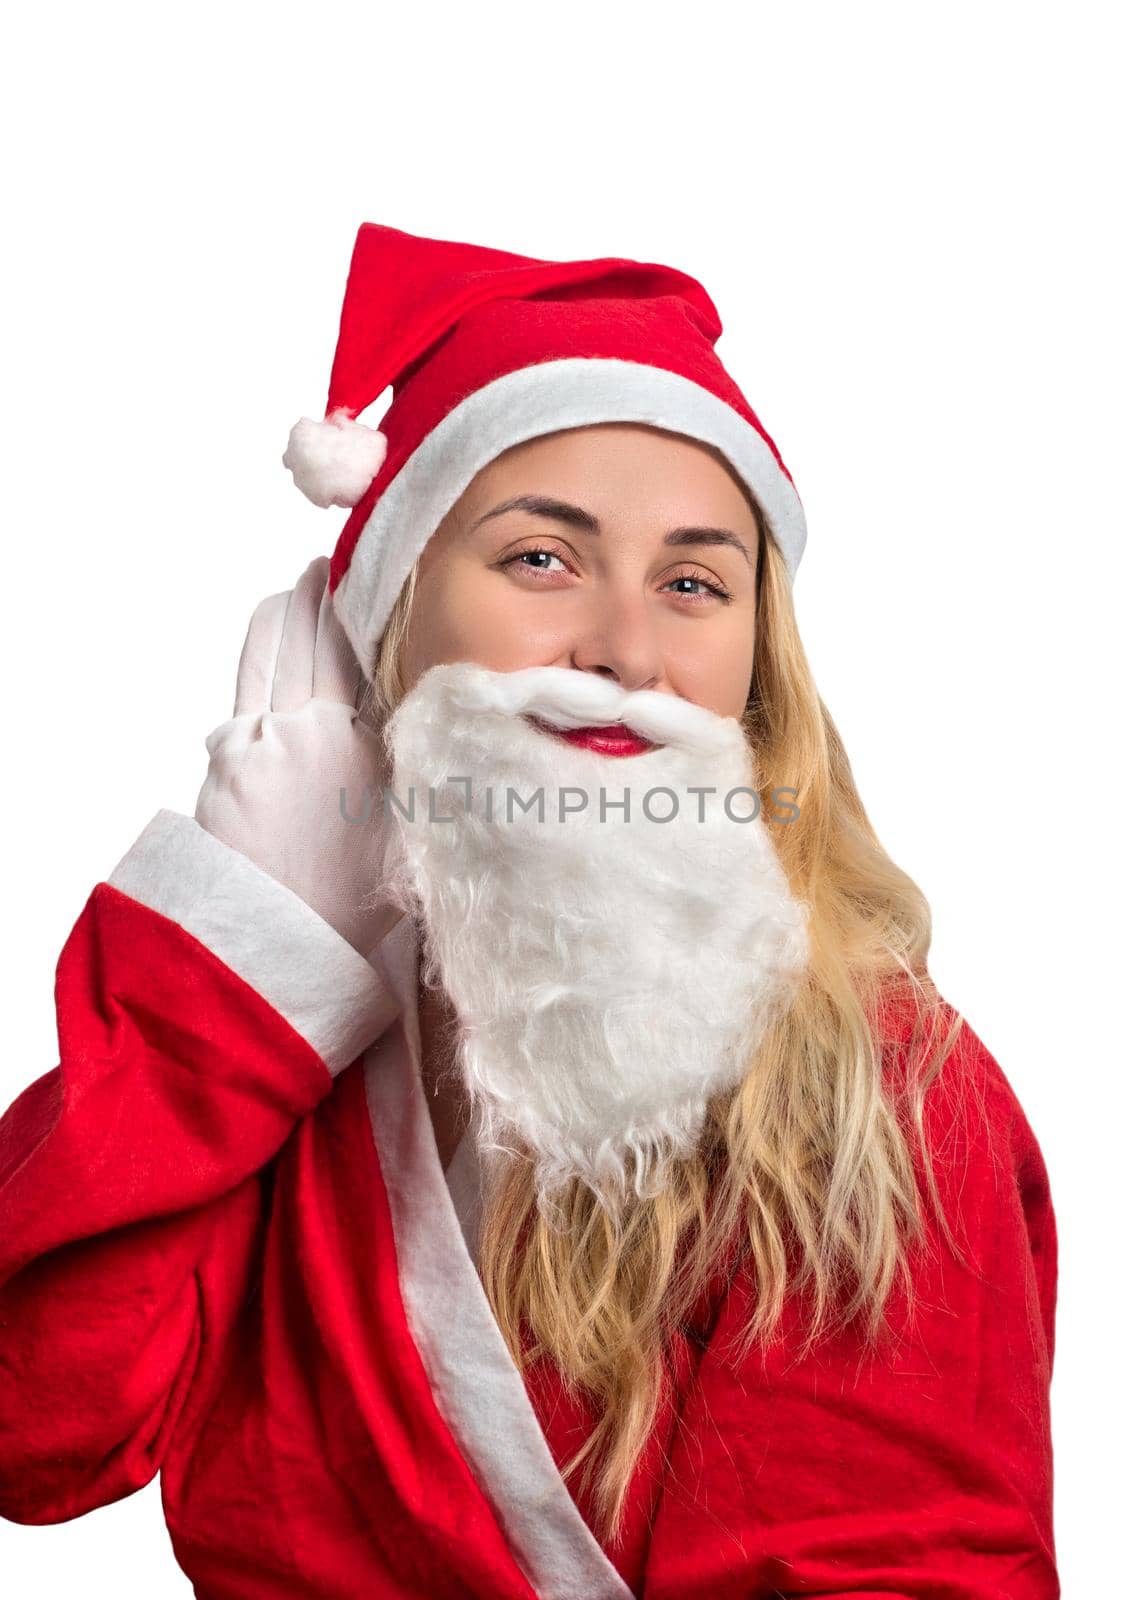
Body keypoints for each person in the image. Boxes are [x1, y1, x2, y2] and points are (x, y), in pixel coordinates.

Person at [0, 222, 1058, 1598]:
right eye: (542, 561)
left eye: (692, 583)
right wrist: (244, 958)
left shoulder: (884, 1094)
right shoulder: (294, 1059)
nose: (624, 648)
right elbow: (37, 1428)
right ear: (377, 624)